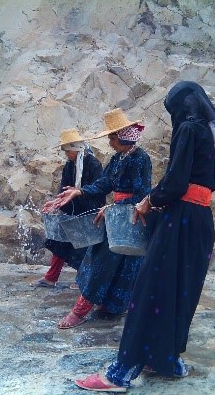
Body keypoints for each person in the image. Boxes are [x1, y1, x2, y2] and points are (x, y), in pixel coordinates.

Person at [73, 81, 215, 392]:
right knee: (181, 291)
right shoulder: (208, 134)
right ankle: (167, 359)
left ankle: (121, 372)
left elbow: (175, 183)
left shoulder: (188, 129)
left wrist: (150, 200)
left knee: (152, 290)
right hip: (200, 220)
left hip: (181, 220)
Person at [51, 108, 152, 329]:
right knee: (99, 261)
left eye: (112, 137)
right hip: (115, 215)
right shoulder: (117, 158)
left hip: (130, 218)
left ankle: (96, 309)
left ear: (124, 135)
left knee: (117, 264)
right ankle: (93, 306)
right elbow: (105, 183)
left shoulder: (140, 159)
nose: (109, 141)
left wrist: (116, 207)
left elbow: (142, 193)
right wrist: (80, 192)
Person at [38, 128, 105, 288]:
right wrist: (56, 202)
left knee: (85, 247)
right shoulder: (69, 166)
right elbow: (64, 190)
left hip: (89, 211)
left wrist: (79, 195)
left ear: (77, 148)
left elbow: (98, 188)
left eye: (68, 150)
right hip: (73, 210)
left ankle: (83, 280)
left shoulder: (93, 164)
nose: (66, 154)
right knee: (59, 240)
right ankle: (51, 277)